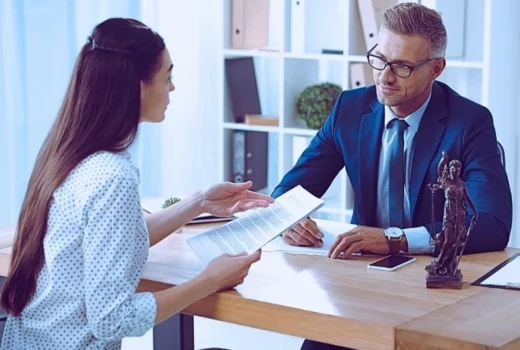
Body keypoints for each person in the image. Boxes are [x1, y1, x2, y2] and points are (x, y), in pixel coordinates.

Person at [0, 18, 274, 349]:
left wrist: (199, 202)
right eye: (167, 77)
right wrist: (211, 280)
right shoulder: (112, 176)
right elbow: (113, 318)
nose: (172, 88)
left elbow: (114, 241)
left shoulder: (69, 154)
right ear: (137, 86)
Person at [271, 3, 512, 350]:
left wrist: (395, 239)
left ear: (436, 68)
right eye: (379, 59)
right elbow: (292, 188)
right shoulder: (350, 110)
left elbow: (492, 224)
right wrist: (290, 217)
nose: (384, 76)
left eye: (402, 67)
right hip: (361, 286)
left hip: (434, 294)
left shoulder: (469, 123)